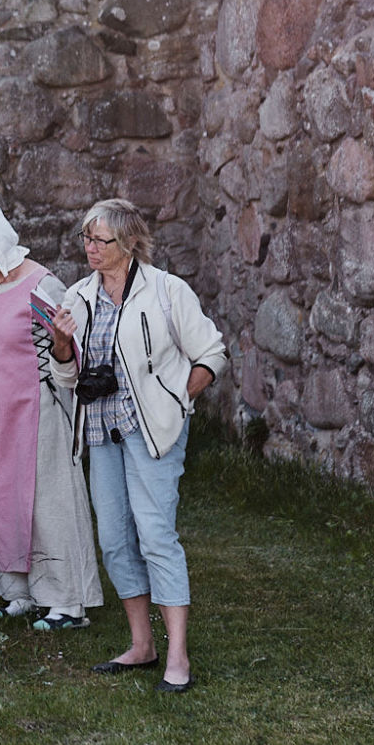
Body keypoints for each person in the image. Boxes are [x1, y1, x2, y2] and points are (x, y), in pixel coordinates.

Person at [46, 198, 227, 694]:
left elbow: (211, 351)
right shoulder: (78, 297)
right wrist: (62, 345)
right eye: (86, 238)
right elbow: (66, 376)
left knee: (155, 536)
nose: (90, 248)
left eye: (100, 240)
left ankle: (178, 655)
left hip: (153, 432)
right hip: (101, 433)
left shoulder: (167, 290)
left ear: (128, 244)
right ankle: (141, 644)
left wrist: (178, 400)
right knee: (114, 541)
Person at [0, 203, 100, 630]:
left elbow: (69, 347)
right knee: (7, 499)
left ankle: (67, 602)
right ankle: (20, 592)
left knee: (49, 501)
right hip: (6, 408)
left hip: (44, 404)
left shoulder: (42, 285)